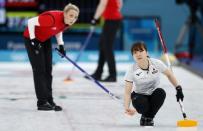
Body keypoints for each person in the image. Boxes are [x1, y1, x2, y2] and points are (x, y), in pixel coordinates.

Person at [23, 3, 79, 111]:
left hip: (45, 39)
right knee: (39, 70)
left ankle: (49, 99)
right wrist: (33, 39)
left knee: (48, 70)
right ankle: (42, 102)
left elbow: (59, 30)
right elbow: (30, 22)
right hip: (31, 38)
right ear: (65, 14)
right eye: (71, 15)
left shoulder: (66, 22)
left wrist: (61, 45)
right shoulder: (51, 19)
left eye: (75, 17)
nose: (73, 19)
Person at [124, 41, 184, 126]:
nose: (138, 54)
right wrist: (127, 108)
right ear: (133, 56)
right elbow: (127, 92)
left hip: (154, 94)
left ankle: (148, 118)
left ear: (147, 53)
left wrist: (178, 88)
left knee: (161, 93)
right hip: (139, 95)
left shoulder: (156, 63)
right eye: (135, 52)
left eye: (141, 51)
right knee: (142, 104)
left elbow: (169, 75)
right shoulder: (131, 69)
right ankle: (145, 115)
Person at [89, 0, 123, 82]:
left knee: (107, 47)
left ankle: (112, 75)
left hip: (112, 20)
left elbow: (102, 4)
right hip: (111, 20)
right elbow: (120, 4)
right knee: (102, 45)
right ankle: (98, 73)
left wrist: (95, 19)